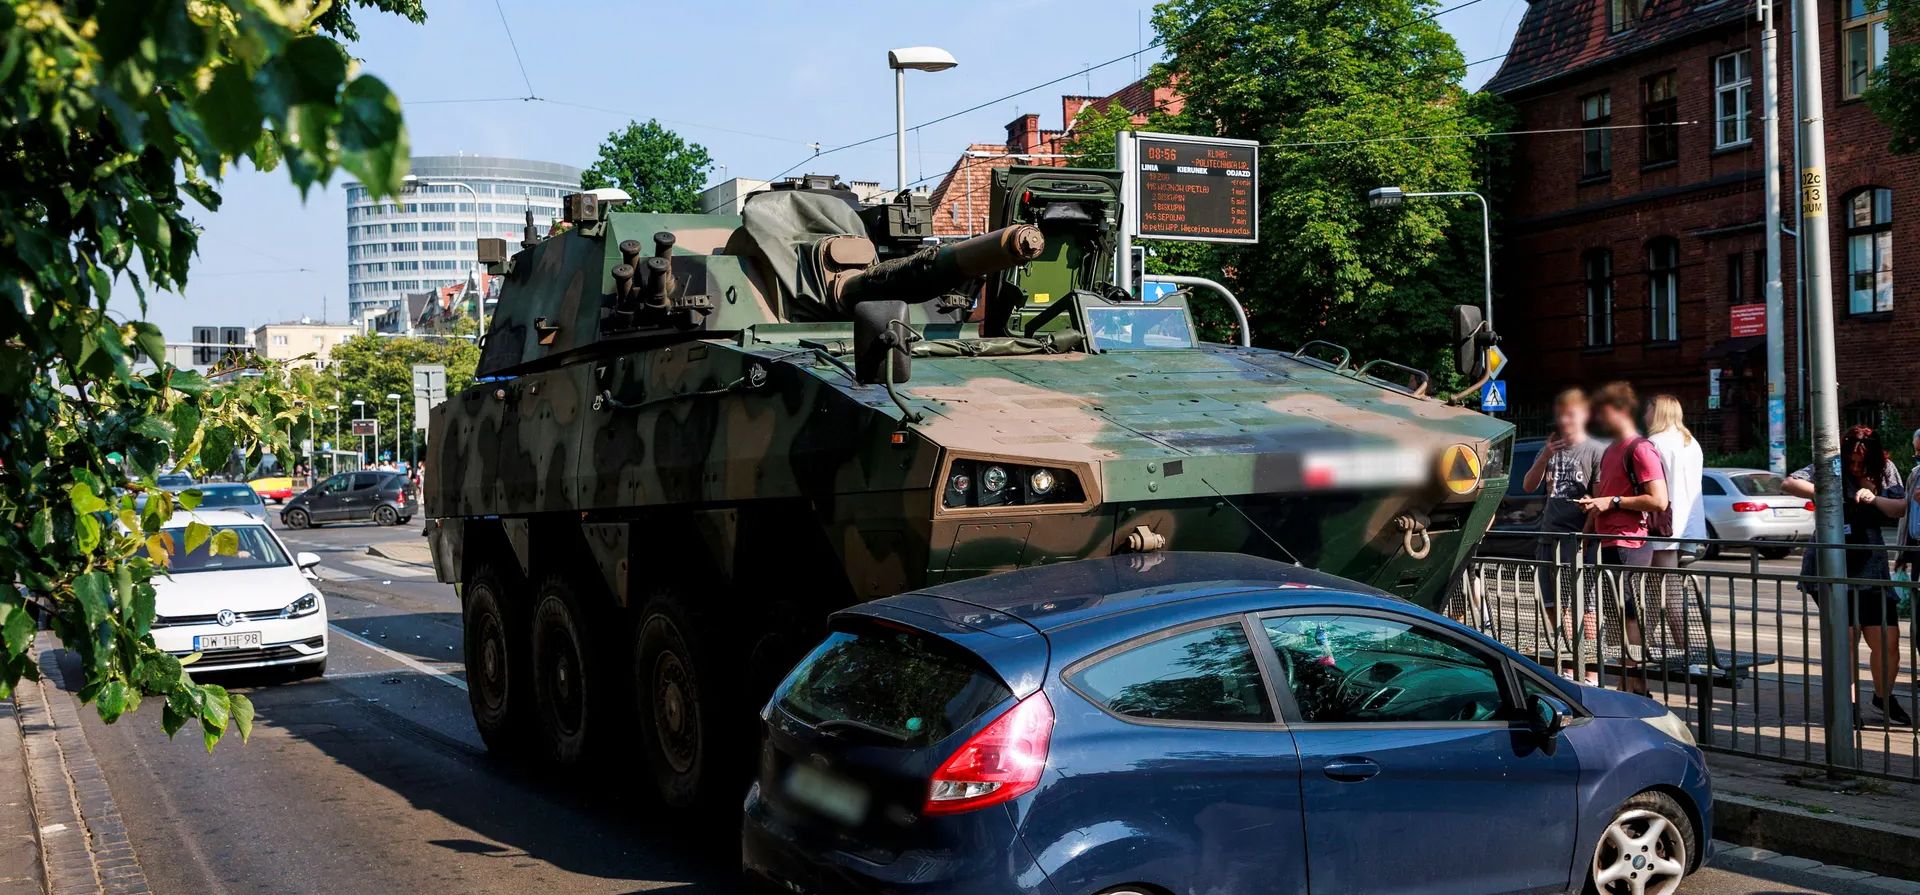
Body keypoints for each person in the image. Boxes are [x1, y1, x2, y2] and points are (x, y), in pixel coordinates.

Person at [1783, 425, 1910, 726]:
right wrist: (1831, 492)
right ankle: (1847, 704)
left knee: (1887, 640)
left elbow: (1900, 507)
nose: (1854, 466)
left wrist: (1872, 497)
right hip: (1830, 564)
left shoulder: (1885, 469)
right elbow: (1789, 482)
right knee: (1846, 637)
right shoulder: (1832, 465)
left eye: (1860, 462)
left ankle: (1883, 696)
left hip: (1871, 567)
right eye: (1851, 460)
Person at [1574, 382, 1670, 693]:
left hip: (1631, 542)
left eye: (1601, 413)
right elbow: (1606, 496)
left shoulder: (1639, 449)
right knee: (1616, 615)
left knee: (1629, 614)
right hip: (1608, 541)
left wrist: (1613, 502)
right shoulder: (1611, 450)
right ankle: (1628, 683)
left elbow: (1659, 500)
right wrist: (1588, 527)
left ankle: (1635, 685)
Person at [1522, 388, 1608, 597]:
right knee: (1550, 603)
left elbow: (1598, 500)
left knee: (1581, 605)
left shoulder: (1596, 451)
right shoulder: (1550, 449)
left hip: (1577, 538)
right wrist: (1545, 457)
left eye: (1570, 415)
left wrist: (1584, 538)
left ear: (1584, 415)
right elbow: (1528, 486)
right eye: (1560, 415)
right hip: (1548, 536)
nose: (1564, 420)